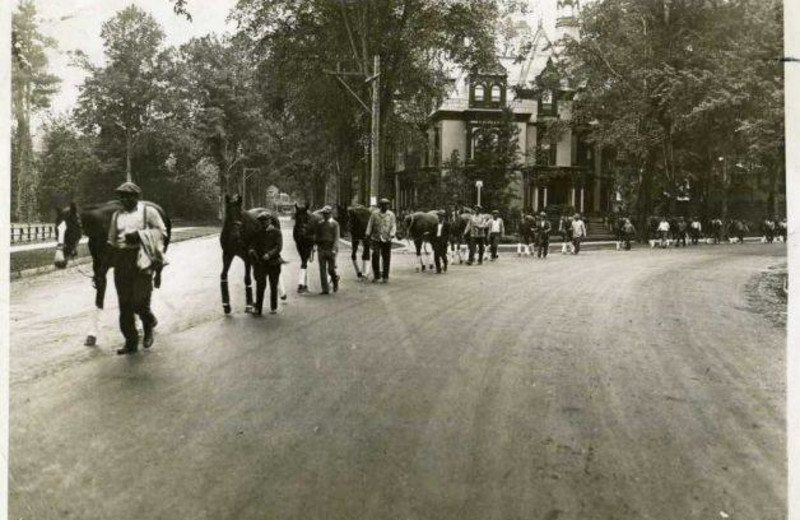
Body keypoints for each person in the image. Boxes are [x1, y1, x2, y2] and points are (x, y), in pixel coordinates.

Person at [107, 181, 167, 355]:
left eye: (127, 196)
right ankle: (130, 341)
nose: (123, 200)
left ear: (136, 197)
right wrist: (104, 267)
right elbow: (111, 241)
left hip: (142, 259)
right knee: (124, 304)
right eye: (121, 196)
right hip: (122, 260)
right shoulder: (116, 216)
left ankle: (148, 323)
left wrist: (140, 235)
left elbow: (162, 232)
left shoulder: (148, 212)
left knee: (139, 300)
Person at [249, 213, 283, 314]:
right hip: (261, 263)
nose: (264, 223)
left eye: (265, 221)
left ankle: (273, 307)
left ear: (270, 221)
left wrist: (269, 254)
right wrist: (251, 249)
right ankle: (258, 309)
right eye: (262, 221)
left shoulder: (277, 232)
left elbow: (278, 247)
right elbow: (253, 244)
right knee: (260, 286)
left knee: (273, 286)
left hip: (274, 263)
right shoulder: (258, 233)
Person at [365, 198, 397, 283]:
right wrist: (368, 234)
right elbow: (370, 224)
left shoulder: (391, 215)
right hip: (376, 238)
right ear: (380, 206)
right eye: (383, 205)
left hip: (387, 239)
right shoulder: (375, 214)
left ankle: (385, 276)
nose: (385, 206)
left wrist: (392, 235)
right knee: (375, 255)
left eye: (387, 205)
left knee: (386, 257)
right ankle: (377, 275)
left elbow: (393, 225)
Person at [315, 206, 340, 294]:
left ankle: (335, 279)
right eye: (323, 214)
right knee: (322, 270)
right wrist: (315, 245)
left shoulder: (334, 224)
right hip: (321, 248)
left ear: (330, 214)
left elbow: (336, 238)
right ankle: (325, 289)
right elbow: (317, 236)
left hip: (331, 248)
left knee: (331, 269)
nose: (324, 215)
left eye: (326, 214)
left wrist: (334, 249)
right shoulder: (320, 224)